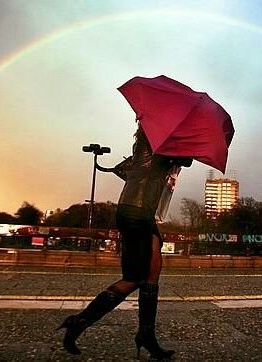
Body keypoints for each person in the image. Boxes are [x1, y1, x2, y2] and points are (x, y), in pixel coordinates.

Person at [57, 125, 192, 360]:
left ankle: (146, 336)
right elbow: (186, 159)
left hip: (143, 212)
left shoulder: (152, 137)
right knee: (135, 277)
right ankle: (78, 322)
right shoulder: (158, 138)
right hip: (136, 211)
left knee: (153, 271)